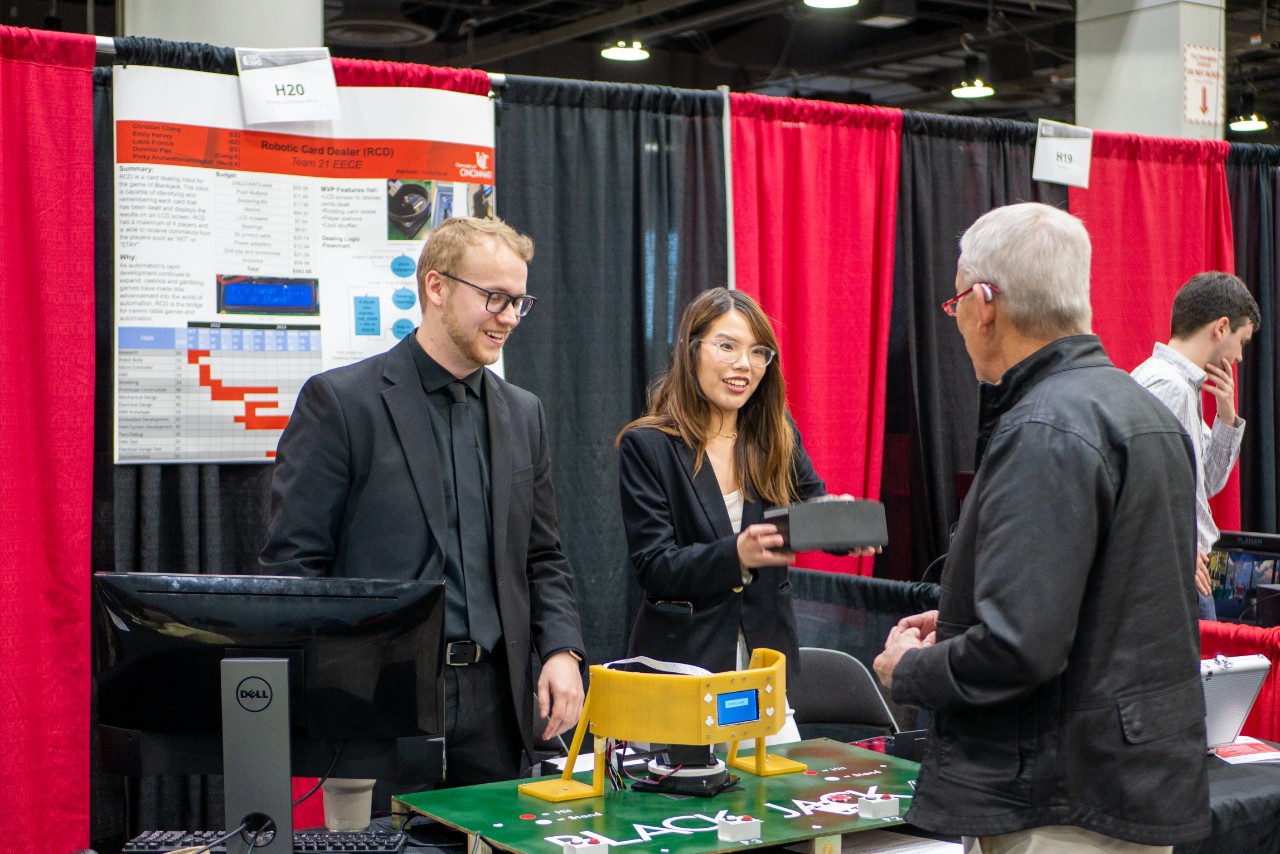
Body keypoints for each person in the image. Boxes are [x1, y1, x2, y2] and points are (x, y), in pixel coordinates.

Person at [873, 203, 1209, 853]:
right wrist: (955, 623)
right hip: (1124, 783)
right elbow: (1106, 609)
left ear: (984, 301)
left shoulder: (1044, 429)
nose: (960, 322)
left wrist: (911, 669)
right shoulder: (1143, 413)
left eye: (955, 304)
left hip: (1057, 803)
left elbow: (1019, 649)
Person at [260, 216, 585, 788]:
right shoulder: (340, 404)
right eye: (495, 299)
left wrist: (561, 650)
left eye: (519, 302)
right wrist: (332, 695)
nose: (509, 317)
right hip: (379, 705)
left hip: (496, 705)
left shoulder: (524, 413)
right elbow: (295, 571)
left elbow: (543, 556)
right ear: (437, 288)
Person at [616, 287, 872, 740]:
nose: (744, 365)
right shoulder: (649, 445)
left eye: (758, 352)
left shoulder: (776, 433)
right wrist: (737, 553)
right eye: (727, 346)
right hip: (680, 670)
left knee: (773, 802)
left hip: (764, 670)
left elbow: (810, 506)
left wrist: (842, 526)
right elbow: (656, 567)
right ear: (691, 350)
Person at [1131, 271, 1259, 621]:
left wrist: (1227, 416)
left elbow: (1207, 483)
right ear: (1220, 328)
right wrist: (1180, 551)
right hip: (1176, 573)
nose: (1239, 357)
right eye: (1242, 341)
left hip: (1179, 569)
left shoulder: (1177, 384)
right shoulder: (1170, 387)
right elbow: (1144, 488)